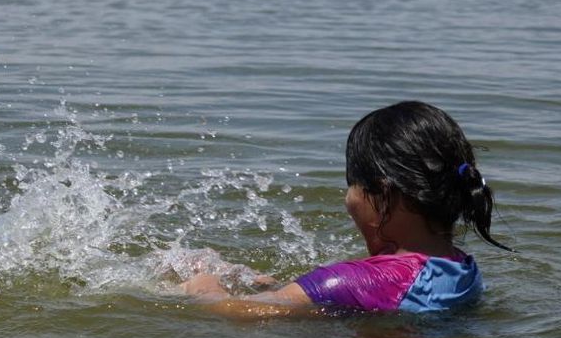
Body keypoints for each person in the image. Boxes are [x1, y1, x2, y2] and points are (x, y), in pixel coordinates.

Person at [182, 101, 508, 317]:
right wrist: (271, 285)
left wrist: (204, 286)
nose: (348, 198)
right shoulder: (461, 267)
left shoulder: (351, 280)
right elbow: (382, 291)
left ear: (380, 195)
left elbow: (240, 313)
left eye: (352, 185)